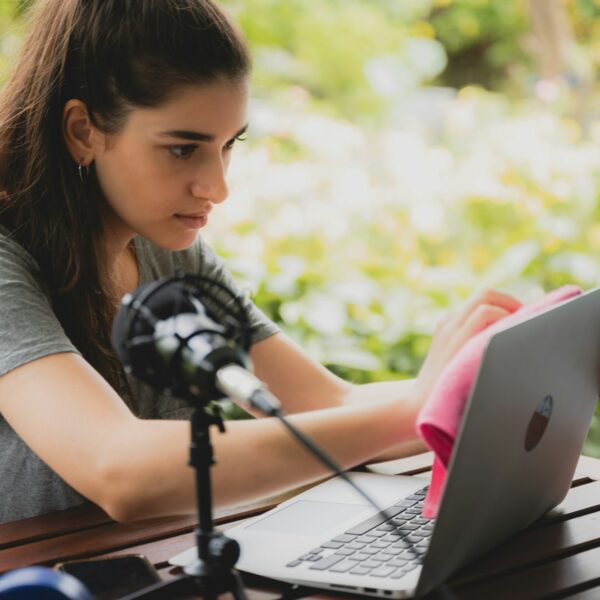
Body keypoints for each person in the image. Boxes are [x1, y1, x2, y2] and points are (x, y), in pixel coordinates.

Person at [0, 0, 521, 525]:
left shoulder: (168, 250)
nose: (218, 188)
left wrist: (476, 382)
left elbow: (325, 403)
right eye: (183, 149)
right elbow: (117, 467)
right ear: (83, 131)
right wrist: (413, 411)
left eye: (230, 145)